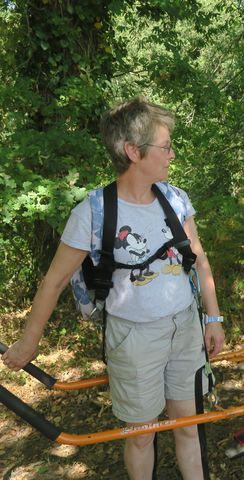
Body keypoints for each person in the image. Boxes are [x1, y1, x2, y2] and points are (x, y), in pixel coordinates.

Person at [1, 97, 225, 479]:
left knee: (188, 426)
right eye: (165, 146)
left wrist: (213, 317)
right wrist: (27, 344)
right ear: (133, 151)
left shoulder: (174, 199)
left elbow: (199, 258)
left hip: (185, 327)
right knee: (140, 436)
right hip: (132, 338)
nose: (172, 154)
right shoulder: (94, 212)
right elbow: (53, 281)